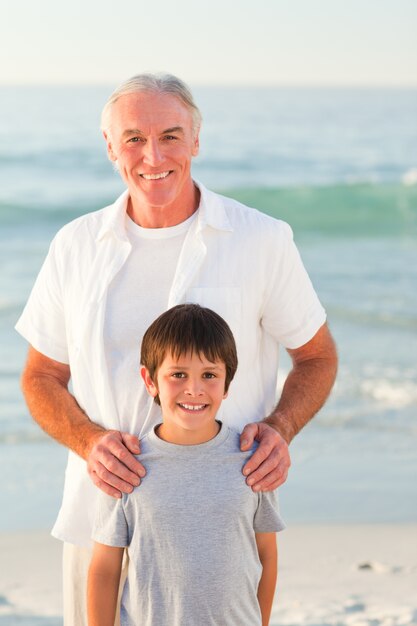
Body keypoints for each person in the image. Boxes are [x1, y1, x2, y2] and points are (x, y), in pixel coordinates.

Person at [16, 73, 337, 625]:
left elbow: (317, 356)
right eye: (134, 138)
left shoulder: (260, 239)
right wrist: (90, 442)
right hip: (100, 525)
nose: (153, 155)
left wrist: (281, 429)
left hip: (218, 529)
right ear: (110, 146)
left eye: (170, 135)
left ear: (196, 141)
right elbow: (40, 376)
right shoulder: (74, 245)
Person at [87, 303, 285, 626]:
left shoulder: (253, 462)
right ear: (150, 381)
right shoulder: (126, 467)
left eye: (209, 375)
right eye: (178, 374)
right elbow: (104, 569)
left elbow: (267, 556)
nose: (194, 389)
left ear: (227, 383)